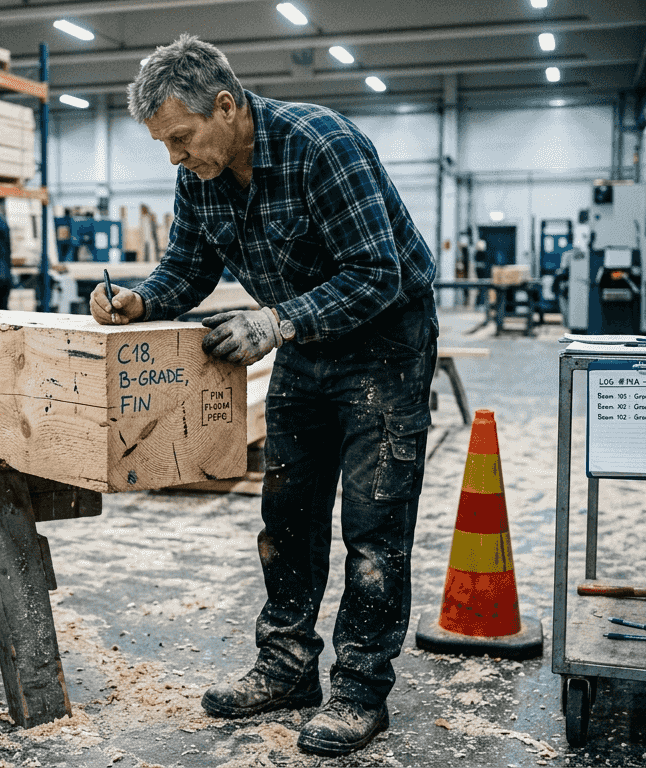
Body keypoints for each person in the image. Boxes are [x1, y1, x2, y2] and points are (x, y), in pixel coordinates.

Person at [89, 35, 438, 757]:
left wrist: (276, 321)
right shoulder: (203, 174)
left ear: (227, 105)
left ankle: (360, 690)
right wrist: (140, 302)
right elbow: (186, 267)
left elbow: (379, 274)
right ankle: (285, 667)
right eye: (165, 145)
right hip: (304, 345)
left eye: (181, 138)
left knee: (373, 529)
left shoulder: (322, 148)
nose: (176, 158)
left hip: (384, 345)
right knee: (288, 513)